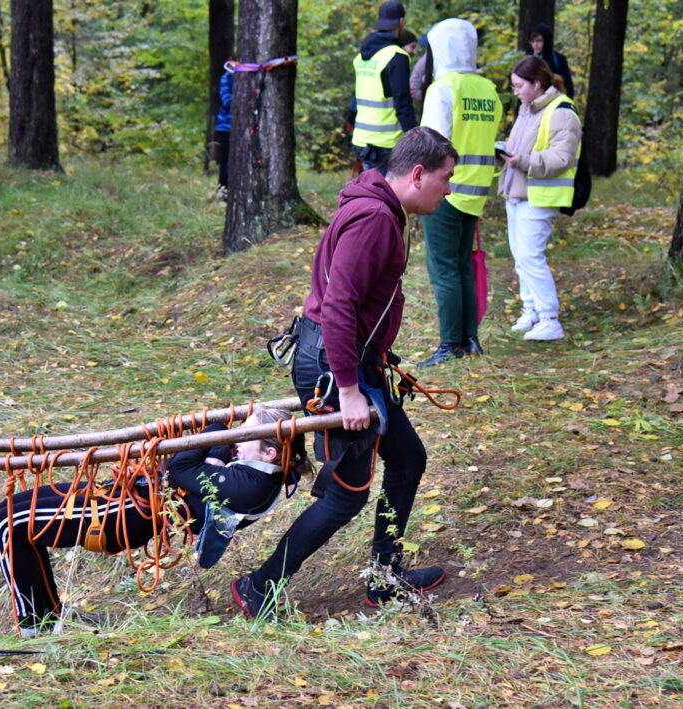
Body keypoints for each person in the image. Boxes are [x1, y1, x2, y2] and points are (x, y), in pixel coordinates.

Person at [231, 127, 457, 619]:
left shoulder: (381, 209)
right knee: (346, 494)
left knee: (408, 459)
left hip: (357, 362)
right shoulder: (374, 218)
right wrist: (351, 390)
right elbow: (339, 306)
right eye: (446, 179)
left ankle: (384, 576)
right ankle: (258, 586)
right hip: (336, 370)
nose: (449, 189)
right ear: (418, 174)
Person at [0, 408, 310, 636]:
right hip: (122, 497)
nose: (237, 437)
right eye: (238, 429)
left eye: (244, 432)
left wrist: (216, 431)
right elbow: (192, 462)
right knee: (10, 512)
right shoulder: (249, 469)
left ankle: (36, 626)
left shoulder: (249, 486)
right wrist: (214, 454)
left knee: (8, 524)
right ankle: (48, 617)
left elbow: (180, 467)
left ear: (269, 453)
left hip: (122, 516)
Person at [418, 19, 502, 366]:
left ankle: (450, 344)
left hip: (445, 191)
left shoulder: (444, 88)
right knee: (463, 266)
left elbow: (430, 144)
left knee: (444, 269)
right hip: (476, 190)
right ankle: (470, 339)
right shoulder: (487, 88)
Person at [498, 56, 581, 342]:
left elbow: (562, 157)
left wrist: (522, 161)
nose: (516, 91)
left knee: (532, 257)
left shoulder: (561, 111)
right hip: (517, 192)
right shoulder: (526, 109)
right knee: (521, 257)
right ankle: (531, 310)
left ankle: (549, 318)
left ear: (537, 83)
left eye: (519, 86)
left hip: (539, 195)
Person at [351, 1, 418, 174]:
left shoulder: (362, 57)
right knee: (388, 197)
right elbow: (403, 103)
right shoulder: (397, 56)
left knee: (372, 193)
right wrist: (416, 139)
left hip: (362, 140)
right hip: (386, 145)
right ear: (401, 22)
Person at [528, 23, 574, 98]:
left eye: (539, 41)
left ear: (546, 41)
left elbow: (568, 87)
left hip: (555, 100)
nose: (535, 44)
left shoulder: (558, 59)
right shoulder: (529, 60)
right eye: (533, 41)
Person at [214, 65, 235, 197]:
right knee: (226, 160)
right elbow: (227, 101)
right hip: (227, 126)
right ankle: (223, 190)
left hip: (247, 128)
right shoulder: (227, 77)